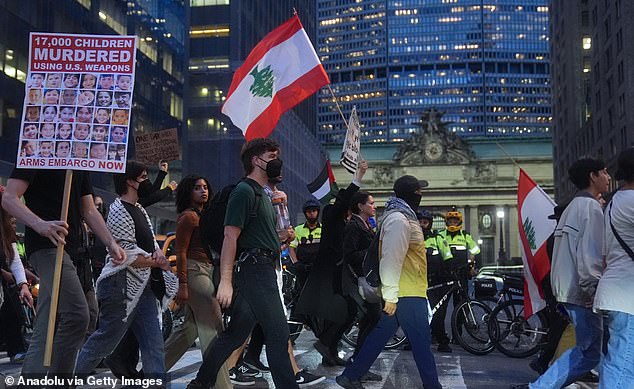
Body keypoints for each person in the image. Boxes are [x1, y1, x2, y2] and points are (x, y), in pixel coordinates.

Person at [187, 138, 298, 389]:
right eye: (272, 158)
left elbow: (261, 239)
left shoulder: (263, 195)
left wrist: (282, 237)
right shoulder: (244, 191)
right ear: (256, 161)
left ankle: (200, 383)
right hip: (255, 272)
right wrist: (225, 281)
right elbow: (230, 236)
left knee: (235, 334)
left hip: (263, 268)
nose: (277, 163)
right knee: (279, 335)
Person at [1, 164, 125, 378]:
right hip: (46, 247)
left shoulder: (80, 161)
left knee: (47, 324)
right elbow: (9, 198)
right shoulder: (36, 150)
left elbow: (88, 210)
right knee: (77, 314)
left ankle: (31, 380)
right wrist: (39, 224)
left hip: (71, 250)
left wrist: (110, 242)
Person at [511, 157, 610, 389]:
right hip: (583, 292)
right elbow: (590, 255)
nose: (608, 177)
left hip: (568, 289)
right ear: (592, 177)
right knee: (592, 351)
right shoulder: (591, 208)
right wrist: (593, 291)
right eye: (604, 172)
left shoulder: (573, 207)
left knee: (590, 351)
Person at [74, 161, 176, 384]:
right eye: (143, 177)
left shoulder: (139, 209)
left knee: (154, 344)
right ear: (129, 181)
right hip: (120, 286)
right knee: (104, 342)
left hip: (144, 287)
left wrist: (158, 256)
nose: (147, 181)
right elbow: (128, 257)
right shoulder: (118, 211)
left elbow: (150, 244)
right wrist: (158, 263)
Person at [336, 175, 442, 389]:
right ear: (410, 193)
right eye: (418, 191)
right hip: (406, 293)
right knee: (422, 343)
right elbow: (391, 259)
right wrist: (391, 296)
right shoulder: (399, 220)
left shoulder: (404, 217)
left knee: (379, 336)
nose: (421, 195)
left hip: (407, 290)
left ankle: (350, 375)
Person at [295, 162, 368, 367]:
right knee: (344, 311)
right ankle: (327, 345)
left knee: (344, 312)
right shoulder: (330, 213)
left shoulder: (344, 220)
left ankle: (329, 349)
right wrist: (358, 177)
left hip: (338, 272)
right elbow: (341, 204)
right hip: (330, 273)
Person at [162, 175, 232, 388]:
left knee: (187, 332)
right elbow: (180, 252)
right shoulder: (188, 217)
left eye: (205, 187)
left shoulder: (204, 215)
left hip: (206, 271)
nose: (203, 191)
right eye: (196, 188)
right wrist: (182, 285)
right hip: (194, 273)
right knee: (213, 328)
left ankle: (148, 373)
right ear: (187, 192)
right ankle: (222, 386)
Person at [594, 148, 634, 388]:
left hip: (617, 290)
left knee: (620, 359)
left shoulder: (614, 201)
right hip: (626, 294)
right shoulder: (630, 201)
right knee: (623, 361)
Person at [341, 191, 382, 370]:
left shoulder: (365, 224)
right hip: (362, 280)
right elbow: (349, 255)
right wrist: (372, 253)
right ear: (360, 206)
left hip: (369, 278)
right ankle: (358, 365)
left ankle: (359, 364)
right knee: (373, 319)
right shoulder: (354, 226)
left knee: (370, 321)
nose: (374, 206)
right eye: (371, 203)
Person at [0, 188, 34, 364]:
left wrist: (23, 284)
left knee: (12, 314)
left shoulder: (6, 228)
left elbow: (14, 259)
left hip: (3, 287)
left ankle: (17, 349)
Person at [419, 210, 453, 353]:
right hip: (417, 280)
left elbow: (447, 257)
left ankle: (442, 341)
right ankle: (415, 340)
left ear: (430, 224)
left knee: (437, 313)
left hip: (436, 281)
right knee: (418, 312)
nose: (422, 225)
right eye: (420, 222)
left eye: (425, 222)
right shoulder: (411, 238)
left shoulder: (438, 239)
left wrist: (450, 271)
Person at [289, 198, 322, 291]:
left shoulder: (324, 229)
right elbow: (291, 248)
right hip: (303, 268)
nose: (311, 213)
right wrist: (296, 263)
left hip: (319, 269)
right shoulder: (298, 230)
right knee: (302, 292)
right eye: (308, 211)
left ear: (318, 212)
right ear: (305, 213)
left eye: (314, 211)